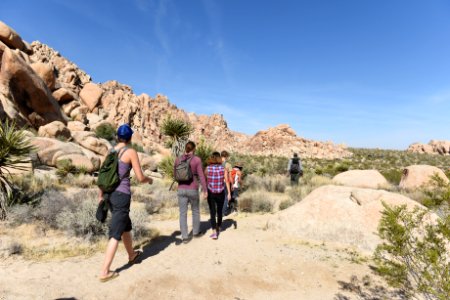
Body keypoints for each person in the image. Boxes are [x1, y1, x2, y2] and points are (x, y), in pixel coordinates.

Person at [99, 124, 153, 282]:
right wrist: (148, 179)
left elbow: (102, 175)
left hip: (109, 194)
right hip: (121, 195)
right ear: (130, 138)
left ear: (117, 136)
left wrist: (101, 195)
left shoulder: (111, 151)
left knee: (125, 226)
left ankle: (132, 255)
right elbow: (140, 177)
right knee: (116, 233)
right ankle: (105, 271)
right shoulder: (130, 152)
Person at [174, 141, 208, 244]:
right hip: (192, 189)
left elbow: (175, 174)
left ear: (185, 148)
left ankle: (184, 237)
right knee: (195, 211)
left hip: (181, 189)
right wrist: (205, 190)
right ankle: (196, 232)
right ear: (194, 149)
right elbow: (201, 176)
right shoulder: (197, 160)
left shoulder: (178, 159)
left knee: (182, 213)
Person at [205, 152, 231, 239]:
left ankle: (214, 232)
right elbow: (227, 181)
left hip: (211, 193)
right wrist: (229, 193)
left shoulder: (207, 169)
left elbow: (205, 181)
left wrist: (205, 191)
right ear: (219, 158)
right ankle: (219, 227)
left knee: (212, 212)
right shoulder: (223, 169)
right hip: (221, 193)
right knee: (219, 211)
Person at [220, 151, 232, 216]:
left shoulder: (217, 164)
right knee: (226, 197)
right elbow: (229, 177)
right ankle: (223, 212)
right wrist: (232, 184)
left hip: (217, 183)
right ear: (226, 156)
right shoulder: (228, 165)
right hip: (225, 182)